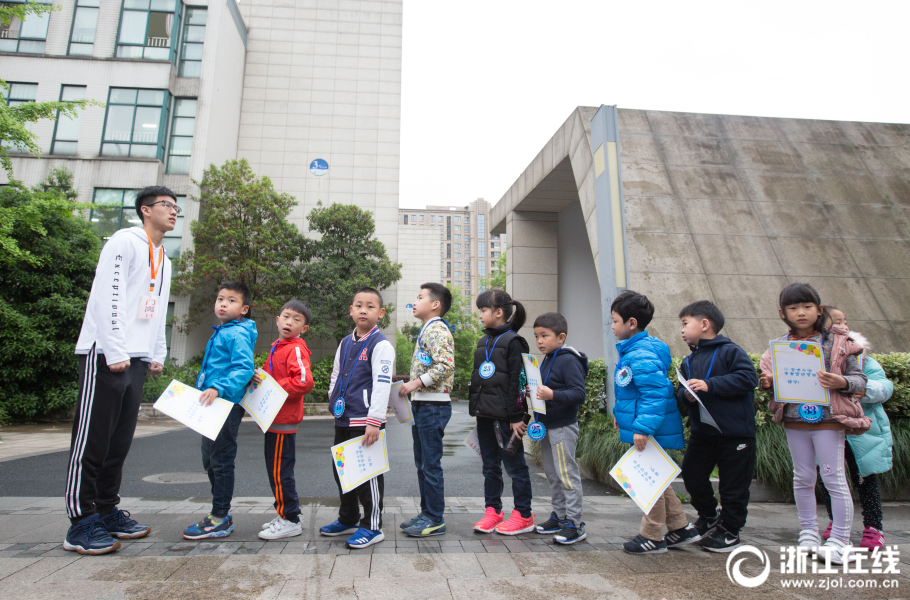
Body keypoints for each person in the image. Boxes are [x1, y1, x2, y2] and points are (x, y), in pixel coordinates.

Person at [64, 186, 178, 555]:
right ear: (145, 210)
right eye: (167, 205)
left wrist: (157, 351)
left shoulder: (165, 258)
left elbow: (157, 308)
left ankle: (107, 510)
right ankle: (81, 522)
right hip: (105, 354)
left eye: (177, 208)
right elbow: (106, 295)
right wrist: (114, 348)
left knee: (119, 442)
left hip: (138, 357)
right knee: (93, 439)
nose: (174, 212)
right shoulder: (123, 241)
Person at [759, 283, 870, 565]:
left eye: (807, 306)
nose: (800, 313)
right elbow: (771, 383)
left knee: (833, 477)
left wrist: (841, 382)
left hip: (829, 420)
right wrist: (768, 383)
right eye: (793, 308)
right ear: (782, 313)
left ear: (819, 309)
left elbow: (860, 381)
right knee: (803, 477)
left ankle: (841, 540)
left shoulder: (839, 343)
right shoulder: (779, 348)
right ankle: (808, 532)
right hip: (795, 419)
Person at [610, 290, 693, 555]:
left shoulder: (640, 353)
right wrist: (619, 415)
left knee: (647, 481)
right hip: (645, 424)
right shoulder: (638, 350)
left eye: (614, 320)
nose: (612, 326)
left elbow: (654, 393)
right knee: (655, 477)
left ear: (631, 323)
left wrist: (642, 428)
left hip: (649, 427)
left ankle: (652, 535)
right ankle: (680, 527)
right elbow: (633, 390)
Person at [676, 300, 758, 552]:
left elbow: (748, 378)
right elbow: (681, 393)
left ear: (704, 324)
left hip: (735, 433)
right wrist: (686, 396)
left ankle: (730, 530)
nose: (681, 330)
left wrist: (711, 385)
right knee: (692, 474)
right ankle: (709, 516)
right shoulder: (688, 362)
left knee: (733, 485)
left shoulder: (731, 351)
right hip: (703, 432)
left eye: (685, 323)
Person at [319, 287, 395, 549]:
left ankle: (372, 526)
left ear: (380, 313)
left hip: (366, 422)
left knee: (367, 475)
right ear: (351, 310)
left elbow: (382, 383)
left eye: (370, 306)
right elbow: (336, 375)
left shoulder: (381, 345)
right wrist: (333, 399)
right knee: (343, 472)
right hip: (343, 418)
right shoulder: (345, 342)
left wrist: (375, 420)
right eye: (359, 305)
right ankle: (348, 518)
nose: (364, 310)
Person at [182, 281, 258, 540]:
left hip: (226, 405)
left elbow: (244, 368)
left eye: (231, 300)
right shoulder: (224, 330)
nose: (223, 303)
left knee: (221, 461)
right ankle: (220, 512)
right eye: (220, 298)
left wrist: (217, 387)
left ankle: (219, 516)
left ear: (244, 308)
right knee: (210, 459)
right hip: (214, 405)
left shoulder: (236, 333)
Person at [817, 307, 893, 551]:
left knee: (865, 480)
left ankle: (873, 528)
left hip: (862, 434)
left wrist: (865, 389)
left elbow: (885, 387)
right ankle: (837, 523)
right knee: (829, 479)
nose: (843, 327)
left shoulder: (860, 357)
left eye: (844, 321)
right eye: (835, 323)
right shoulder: (816, 358)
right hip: (829, 430)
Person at [469, 289, 535, 535]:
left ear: (499, 312)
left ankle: (523, 514)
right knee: (490, 466)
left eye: (483, 310)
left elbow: (518, 381)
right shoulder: (483, 340)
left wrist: (517, 416)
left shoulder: (514, 341)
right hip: (485, 415)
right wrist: (477, 410)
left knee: (515, 467)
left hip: (509, 420)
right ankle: (493, 511)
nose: (480, 315)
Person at [398, 283, 455, 538]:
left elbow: (445, 365)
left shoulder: (437, 329)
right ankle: (426, 513)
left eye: (419, 297)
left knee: (430, 464)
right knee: (422, 463)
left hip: (433, 406)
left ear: (435, 304)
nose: (415, 302)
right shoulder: (427, 329)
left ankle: (435, 518)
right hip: (423, 404)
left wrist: (416, 383)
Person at [256, 300, 315, 540]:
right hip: (274, 419)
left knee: (280, 473)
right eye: (286, 316)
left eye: (297, 319)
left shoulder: (295, 348)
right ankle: (288, 513)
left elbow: (304, 381)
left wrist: (272, 387)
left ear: (304, 328)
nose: (290, 322)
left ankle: (290, 519)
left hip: (283, 421)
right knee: (277, 471)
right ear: (277, 319)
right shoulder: (278, 346)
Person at [531, 312, 589, 545]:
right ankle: (559, 516)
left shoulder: (568, 359)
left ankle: (575, 524)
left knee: (567, 475)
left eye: (545, 335)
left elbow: (579, 393)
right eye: (536, 336)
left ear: (561, 337)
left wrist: (551, 394)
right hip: (547, 426)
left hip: (563, 427)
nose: (540, 341)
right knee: (553, 474)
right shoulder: (548, 358)